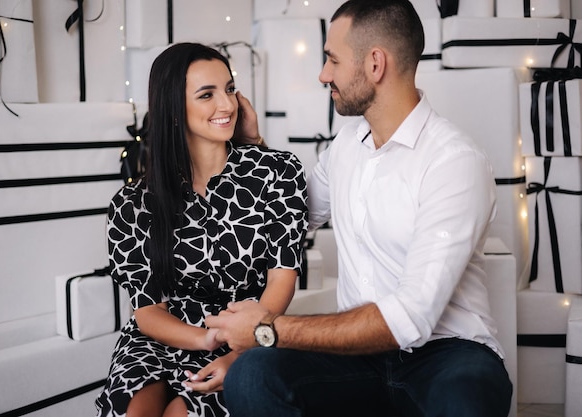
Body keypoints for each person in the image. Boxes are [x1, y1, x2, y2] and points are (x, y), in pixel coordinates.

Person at [205, 1, 513, 416]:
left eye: (332, 59)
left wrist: (268, 329)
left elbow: (411, 318)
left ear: (374, 63)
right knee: (254, 376)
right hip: (357, 359)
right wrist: (252, 149)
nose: (323, 74)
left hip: (447, 356)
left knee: (465, 399)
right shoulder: (346, 146)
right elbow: (287, 218)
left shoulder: (455, 161)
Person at [95, 42, 308, 417]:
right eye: (206, 95)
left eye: (229, 89)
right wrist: (203, 338)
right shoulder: (133, 203)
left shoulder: (277, 172)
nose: (226, 105)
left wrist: (242, 349)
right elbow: (148, 312)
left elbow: (281, 280)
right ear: (173, 109)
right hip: (161, 339)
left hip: (243, 336)